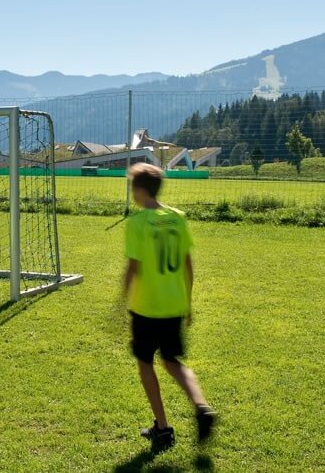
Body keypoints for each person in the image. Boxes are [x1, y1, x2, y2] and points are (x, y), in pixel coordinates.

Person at [122, 163, 217, 451]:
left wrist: (122, 300)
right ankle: (201, 405)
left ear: (140, 190)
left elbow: (133, 267)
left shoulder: (137, 222)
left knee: (145, 363)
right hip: (174, 304)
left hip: (147, 306)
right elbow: (188, 264)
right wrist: (187, 302)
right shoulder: (178, 218)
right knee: (173, 361)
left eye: (132, 187)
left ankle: (162, 428)